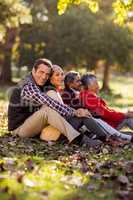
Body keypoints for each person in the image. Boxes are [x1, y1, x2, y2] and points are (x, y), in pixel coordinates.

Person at [7, 58, 103, 147]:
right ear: (33, 70)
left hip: (33, 124)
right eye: (41, 72)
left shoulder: (39, 83)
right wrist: (75, 112)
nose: (44, 76)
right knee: (48, 110)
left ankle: (106, 137)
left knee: (54, 110)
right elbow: (49, 102)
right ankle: (78, 139)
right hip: (20, 129)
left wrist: (77, 112)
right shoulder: (28, 86)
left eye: (47, 74)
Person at [61, 71, 133, 143]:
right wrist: (124, 115)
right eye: (96, 83)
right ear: (89, 86)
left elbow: (104, 111)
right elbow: (104, 113)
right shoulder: (85, 96)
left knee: (127, 126)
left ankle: (124, 137)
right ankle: (124, 137)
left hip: (102, 123)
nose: (80, 83)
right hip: (103, 125)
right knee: (128, 119)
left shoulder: (84, 94)